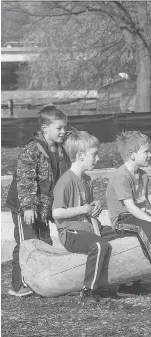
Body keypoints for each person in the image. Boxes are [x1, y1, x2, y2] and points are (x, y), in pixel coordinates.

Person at [5, 105, 70, 297]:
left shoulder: (60, 150)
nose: (63, 132)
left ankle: (42, 281)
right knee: (27, 244)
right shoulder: (32, 150)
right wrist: (27, 207)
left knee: (44, 242)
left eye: (65, 128)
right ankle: (20, 284)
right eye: (59, 128)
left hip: (42, 207)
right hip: (24, 207)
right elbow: (25, 180)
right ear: (44, 129)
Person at [106, 131, 151, 296]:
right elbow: (130, 208)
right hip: (122, 218)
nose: (150, 155)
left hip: (139, 214)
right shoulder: (121, 176)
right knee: (148, 227)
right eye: (146, 152)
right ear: (132, 155)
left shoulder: (143, 175)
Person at [52, 129, 113, 303]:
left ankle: (129, 283)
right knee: (100, 246)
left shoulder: (87, 180)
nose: (98, 159)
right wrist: (83, 209)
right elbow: (56, 213)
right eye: (94, 154)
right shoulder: (65, 181)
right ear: (80, 155)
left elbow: (89, 206)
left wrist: (96, 205)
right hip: (71, 233)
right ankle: (88, 291)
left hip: (90, 228)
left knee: (124, 234)